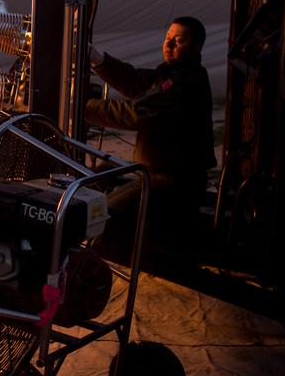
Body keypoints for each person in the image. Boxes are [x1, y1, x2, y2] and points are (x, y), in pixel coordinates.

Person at [85, 16, 216, 249]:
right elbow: (136, 80)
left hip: (173, 182)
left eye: (178, 40)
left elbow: (134, 114)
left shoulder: (186, 84)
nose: (169, 45)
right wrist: (98, 59)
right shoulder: (171, 74)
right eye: (167, 38)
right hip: (156, 174)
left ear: (196, 47)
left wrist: (82, 107)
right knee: (97, 179)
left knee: (101, 216)